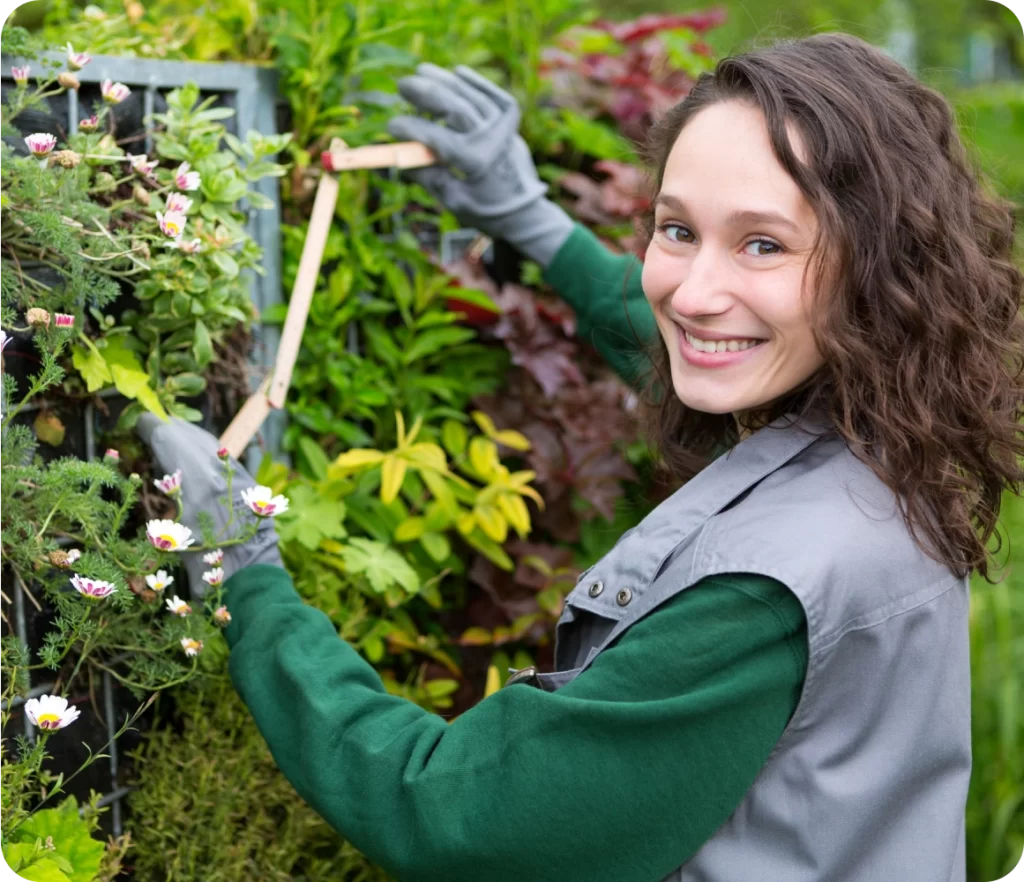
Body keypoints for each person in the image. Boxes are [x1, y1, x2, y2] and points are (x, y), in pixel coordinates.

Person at [138, 32, 1024, 882]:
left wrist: (244, 570)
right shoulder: (883, 435)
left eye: (764, 244)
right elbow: (691, 338)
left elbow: (456, 818)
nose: (695, 290)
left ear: (878, 268)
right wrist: (530, 219)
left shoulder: (758, 598)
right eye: (677, 230)